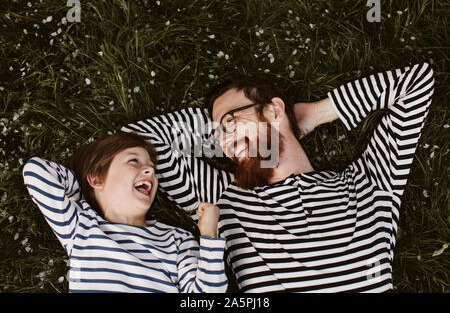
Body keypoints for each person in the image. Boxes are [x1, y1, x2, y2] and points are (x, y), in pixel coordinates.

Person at [121, 62, 434, 292]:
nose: (223, 141)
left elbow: (416, 83)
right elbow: (135, 140)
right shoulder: (225, 199)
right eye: (215, 135)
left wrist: (316, 113)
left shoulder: (369, 183)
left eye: (230, 120)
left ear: (274, 110)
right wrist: (225, 126)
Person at [22, 131, 228, 293]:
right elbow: (36, 171)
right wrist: (84, 191)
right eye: (134, 161)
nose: (150, 171)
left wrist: (209, 234)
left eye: (152, 168)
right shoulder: (81, 226)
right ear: (95, 179)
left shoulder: (177, 239)